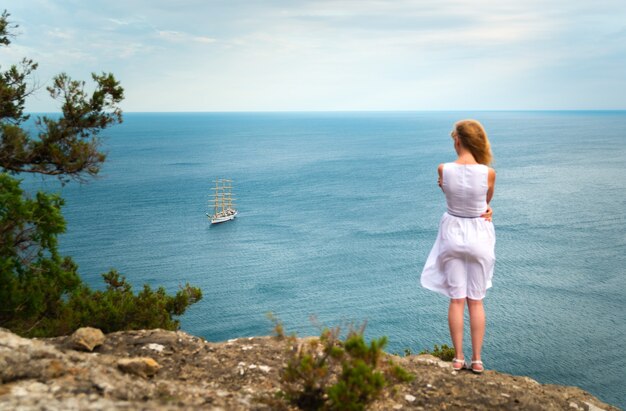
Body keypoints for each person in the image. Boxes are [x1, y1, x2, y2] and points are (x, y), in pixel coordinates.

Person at [420, 119, 496, 374]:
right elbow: (485, 203)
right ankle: (477, 360)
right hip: (478, 233)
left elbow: (449, 194)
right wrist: (487, 210)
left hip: (453, 233)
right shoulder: (488, 173)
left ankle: (457, 358)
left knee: (456, 300)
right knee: (476, 301)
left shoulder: (443, 169)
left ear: (457, 141)